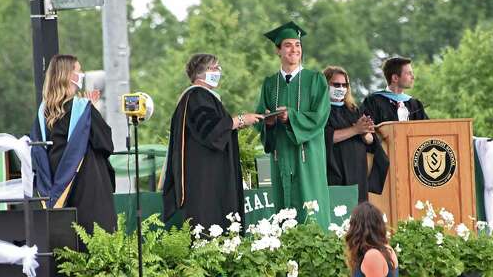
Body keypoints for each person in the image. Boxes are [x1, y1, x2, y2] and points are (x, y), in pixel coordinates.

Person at [163, 54, 262, 231]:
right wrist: (239, 120)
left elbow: (212, 130)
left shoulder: (200, 97)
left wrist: (236, 125)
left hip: (205, 175)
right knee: (210, 227)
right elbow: (210, 131)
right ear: (202, 72)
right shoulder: (197, 96)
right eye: (215, 67)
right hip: (206, 179)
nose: (219, 71)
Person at [255, 21, 332, 227]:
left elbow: (320, 116)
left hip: (308, 156)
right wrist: (269, 122)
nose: (294, 49)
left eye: (297, 45)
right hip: (281, 155)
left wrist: (292, 117)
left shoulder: (315, 80)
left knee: (311, 212)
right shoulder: (270, 84)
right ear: (278, 50)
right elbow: (259, 117)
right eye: (288, 45)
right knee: (283, 211)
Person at [31, 54, 116, 234]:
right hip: (87, 185)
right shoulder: (82, 109)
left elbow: (38, 152)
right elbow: (106, 144)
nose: (82, 74)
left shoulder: (43, 112)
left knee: (66, 241)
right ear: (68, 76)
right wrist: (91, 108)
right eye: (78, 70)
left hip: (55, 187)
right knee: (91, 237)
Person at [323, 66, 389, 203]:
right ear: (325, 84)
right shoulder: (321, 111)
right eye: (336, 84)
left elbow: (371, 141)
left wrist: (365, 132)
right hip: (334, 170)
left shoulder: (353, 110)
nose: (341, 88)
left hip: (357, 172)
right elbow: (325, 137)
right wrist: (355, 130)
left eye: (344, 85)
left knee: (359, 211)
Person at [362, 57, 429, 124]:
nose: (413, 77)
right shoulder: (373, 102)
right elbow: (366, 130)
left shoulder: (415, 105)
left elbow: (427, 129)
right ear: (395, 78)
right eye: (409, 73)